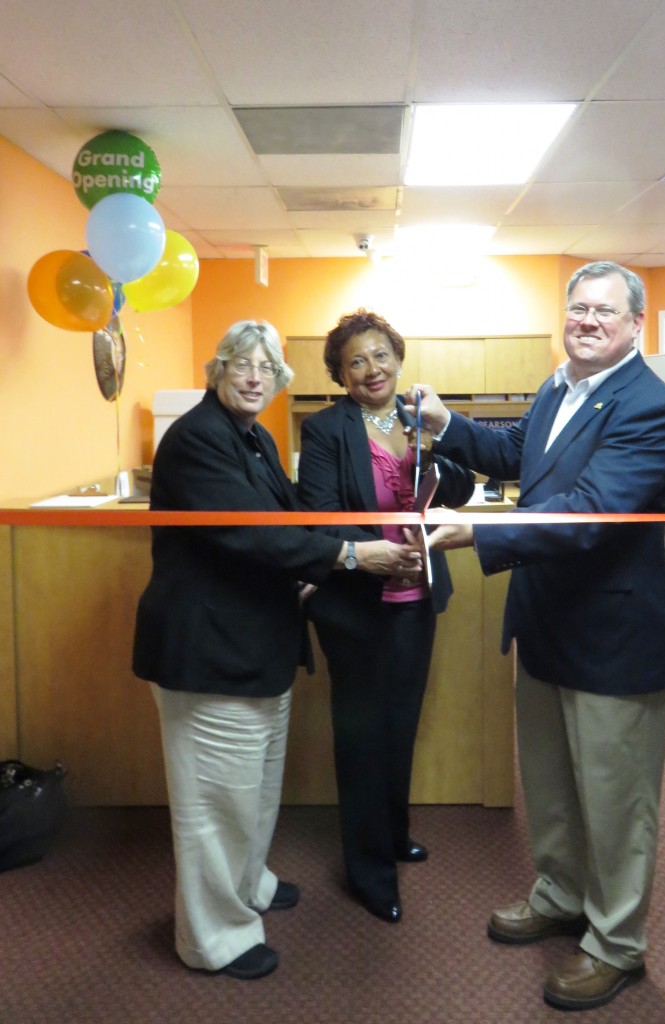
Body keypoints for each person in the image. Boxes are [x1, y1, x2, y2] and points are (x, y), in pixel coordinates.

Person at [407, 262, 665, 1011]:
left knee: (616, 801)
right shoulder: (558, 386)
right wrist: (448, 428)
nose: (587, 321)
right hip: (545, 627)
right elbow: (517, 453)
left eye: (604, 311)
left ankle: (616, 945)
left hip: (613, 640)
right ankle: (561, 895)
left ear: (634, 324)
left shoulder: (650, 408)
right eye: (577, 308)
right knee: (553, 787)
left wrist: (482, 536)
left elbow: (592, 512)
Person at [132, 320, 422, 980]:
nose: (254, 376)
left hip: (254, 643)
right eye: (242, 363)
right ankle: (213, 938)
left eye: (267, 367)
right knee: (214, 805)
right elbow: (251, 533)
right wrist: (349, 552)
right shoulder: (199, 440)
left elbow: (290, 514)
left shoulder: (253, 435)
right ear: (218, 368)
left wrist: (328, 548)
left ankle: (249, 886)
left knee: (253, 790)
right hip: (207, 649)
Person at [296, 309, 475, 923]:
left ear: (398, 360)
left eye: (380, 356)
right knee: (362, 739)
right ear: (340, 376)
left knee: (399, 726)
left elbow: (462, 488)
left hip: (417, 600)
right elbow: (318, 515)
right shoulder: (325, 430)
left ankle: (393, 836)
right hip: (355, 607)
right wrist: (370, 554)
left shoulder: (419, 419)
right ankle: (369, 872)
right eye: (356, 362)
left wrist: (439, 459)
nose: (372, 369)